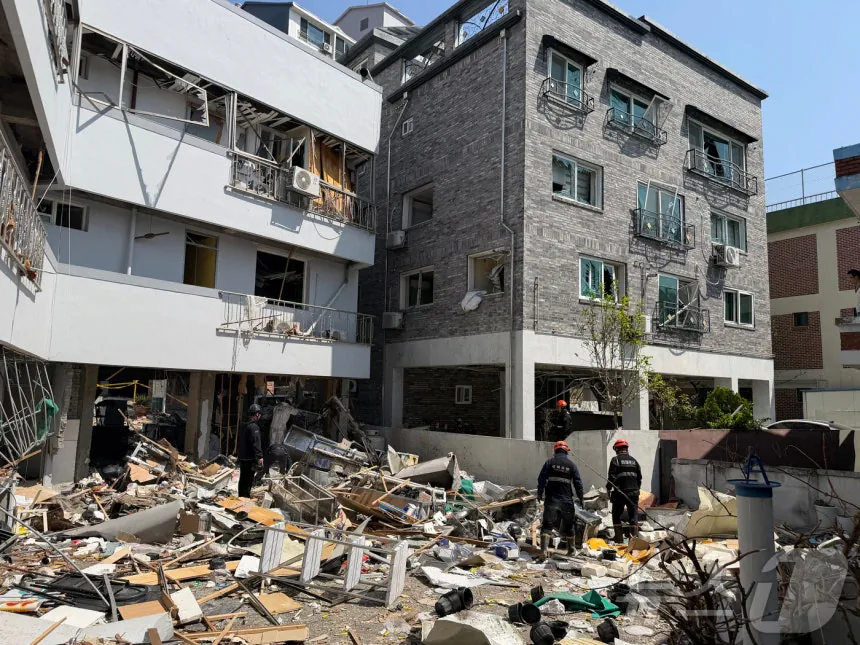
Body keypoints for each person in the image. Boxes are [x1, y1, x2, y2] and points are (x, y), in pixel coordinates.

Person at [537, 440, 584, 558]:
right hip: (566, 501)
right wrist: (581, 498)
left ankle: (543, 551)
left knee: (547, 525)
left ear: (555, 450)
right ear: (566, 451)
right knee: (569, 525)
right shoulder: (571, 465)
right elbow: (578, 483)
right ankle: (571, 550)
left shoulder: (549, 462)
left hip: (551, 500)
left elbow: (541, 479)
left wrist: (539, 493)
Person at [607, 438, 642, 544]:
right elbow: (639, 478)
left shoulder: (615, 460)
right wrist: (636, 490)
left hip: (620, 493)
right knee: (633, 515)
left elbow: (611, 477)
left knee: (616, 514)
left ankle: (619, 538)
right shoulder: (634, 461)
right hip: (634, 493)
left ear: (617, 449)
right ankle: (633, 539)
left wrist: (608, 488)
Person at [238, 404, 264, 498]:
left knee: (242, 478)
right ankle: (245, 498)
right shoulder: (254, 427)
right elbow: (256, 442)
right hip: (249, 457)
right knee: (249, 479)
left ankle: (241, 496)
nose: (260, 416)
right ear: (257, 414)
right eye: (259, 414)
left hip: (242, 456)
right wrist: (260, 456)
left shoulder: (243, 425)